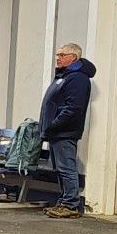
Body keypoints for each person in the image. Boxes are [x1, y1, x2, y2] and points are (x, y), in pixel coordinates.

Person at [40, 42, 95, 218]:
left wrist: (55, 123)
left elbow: (73, 108)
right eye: (57, 55)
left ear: (74, 57)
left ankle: (71, 204)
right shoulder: (64, 76)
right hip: (56, 131)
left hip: (65, 130)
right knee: (60, 169)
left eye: (62, 55)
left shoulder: (78, 78)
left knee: (66, 168)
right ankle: (64, 201)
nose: (58, 58)